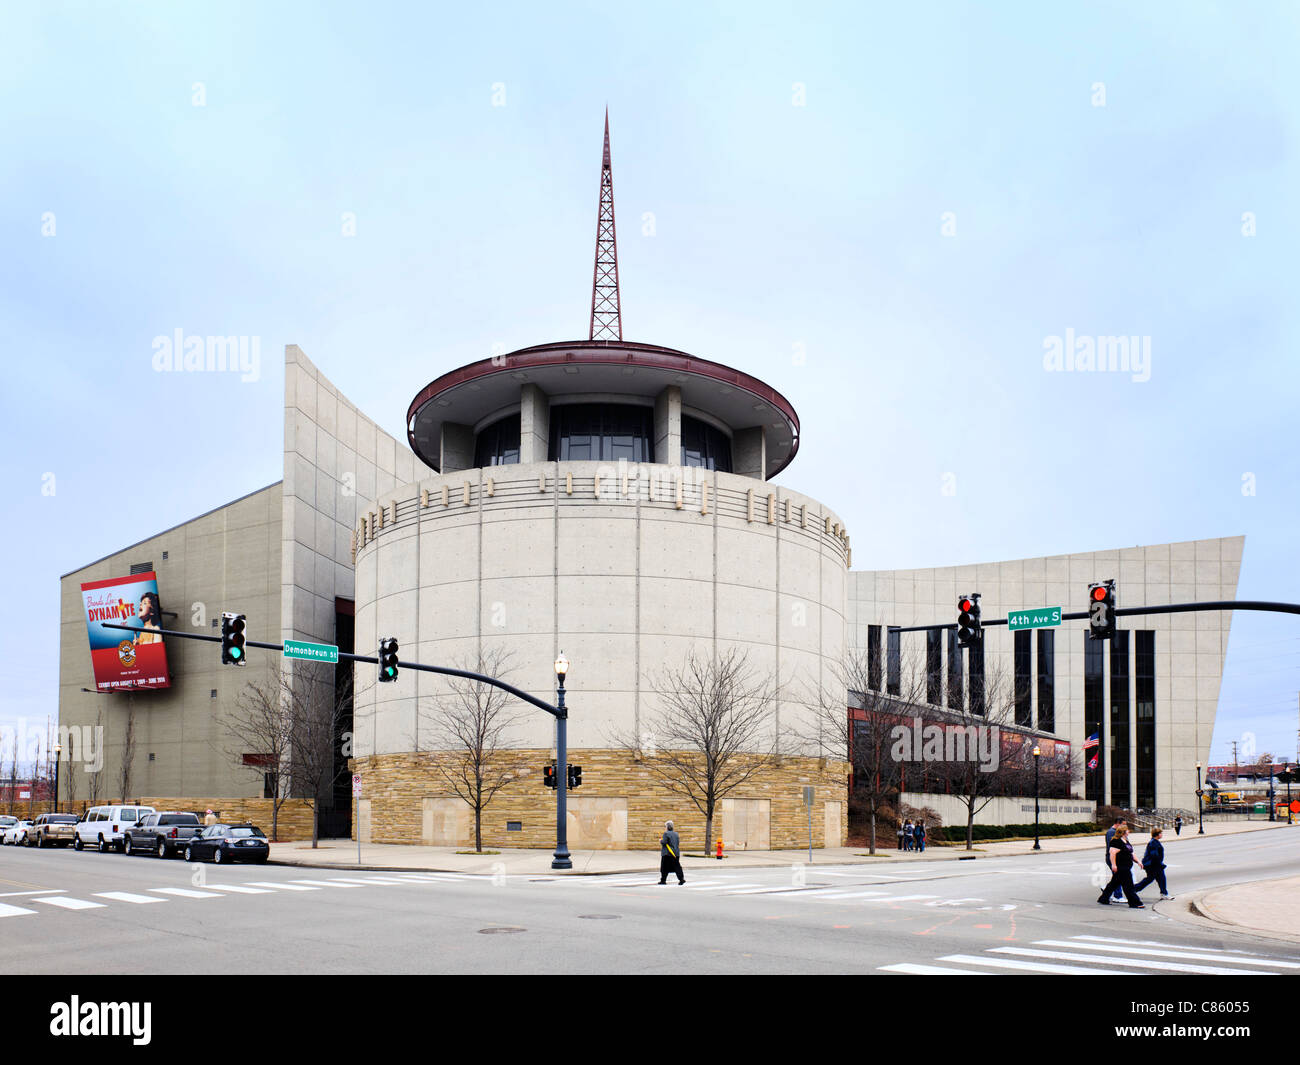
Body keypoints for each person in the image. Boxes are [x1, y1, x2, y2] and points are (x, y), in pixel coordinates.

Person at [1097, 823, 1144, 908]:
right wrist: (1114, 865)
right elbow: (1112, 853)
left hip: (1127, 865)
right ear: (1123, 832)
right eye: (1127, 830)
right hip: (1121, 867)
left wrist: (1138, 862)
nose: (1129, 831)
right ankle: (1135, 902)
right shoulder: (1116, 841)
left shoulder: (1126, 840)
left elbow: (1131, 853)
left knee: (1114, 884)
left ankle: (1103, 898)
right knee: (1128, 885)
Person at [1133, 828, 1173, 900]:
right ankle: (1133, 889)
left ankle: (1164, 893)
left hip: (1154, 865)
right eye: (1161, 833)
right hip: (1153, 865)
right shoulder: (1153, 843)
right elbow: (1154, 855)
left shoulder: (1154, 842)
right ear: (1157, 834)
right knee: (1150, 879)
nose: (1162, 835)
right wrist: (1160, 864)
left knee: (1161, 878)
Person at [1104, 818, 1126, 900]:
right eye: (1123, 824)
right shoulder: (1111, 832)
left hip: (1118, 858)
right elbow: (1112, 848)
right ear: (1118, 823)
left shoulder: (1118, 832)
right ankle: (1117, 896)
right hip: (1112, 858)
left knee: (1116, 877)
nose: (1125, 826)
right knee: (1118, 877)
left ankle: (1107, 891)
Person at [659, 820, 684, 885]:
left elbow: (664, 842)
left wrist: (660, 841)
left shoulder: (666, 833)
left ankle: (663, 880)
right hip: (675, 853)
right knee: (677, 866)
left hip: (667, 853)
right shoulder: (676, 834)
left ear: (667, 827)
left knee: (664, 868)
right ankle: (681, 879)